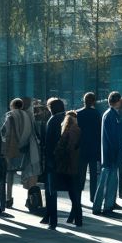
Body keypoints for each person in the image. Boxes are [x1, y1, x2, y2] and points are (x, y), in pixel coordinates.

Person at [2, 98, 39, 210]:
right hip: (26, 149)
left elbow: (4, 131)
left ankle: (8, 198)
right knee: (28, 174)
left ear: (12, 105)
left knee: (9, 174)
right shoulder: (28, 116)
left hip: (12, 149)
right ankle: (29, 199)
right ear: (22, 106)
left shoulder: (10, 116)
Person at [93, 91, 122, 215]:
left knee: (107, 182)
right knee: (108, 182)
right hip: (111, 154)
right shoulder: (111, 115)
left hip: (110, 154)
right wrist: (116, 154)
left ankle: (103, 206)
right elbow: (112, 137)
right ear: (117, 102)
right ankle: (105, 207)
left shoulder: (110, 114)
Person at [54, 110, 83, 227]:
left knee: (73, 194)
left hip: (70, 166)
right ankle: (75, 218)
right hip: (74, 166)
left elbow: (69, 148)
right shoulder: (76, 129)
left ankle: (78, 219)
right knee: (74, 193)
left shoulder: (69, 130)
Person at [41, 97, 66, 229]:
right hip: (65, 159)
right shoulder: (67, 118)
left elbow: (49, 143)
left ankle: (52, 220)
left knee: (51, 191)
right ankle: (49, 216)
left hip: (52, 160)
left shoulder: (53, 120)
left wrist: (46, 159)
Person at [76, 92, 102, 206]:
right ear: (93, 101)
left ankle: (78, 196)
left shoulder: (78, 113)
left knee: (80, 173)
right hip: (94, 147)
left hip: (81, 147)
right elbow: (99, 131)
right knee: (93, 174)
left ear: (84, 100)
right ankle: (93, 196)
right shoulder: (97, 114)